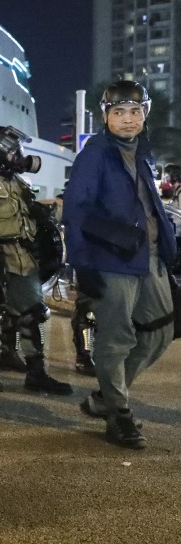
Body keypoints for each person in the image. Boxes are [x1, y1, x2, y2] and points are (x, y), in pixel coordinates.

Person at [63, 80, 177, 449]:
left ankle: (107, 395)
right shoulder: (94, 155)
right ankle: (118, 414)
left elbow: (151, 206)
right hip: (111, 260)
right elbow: (75, 212)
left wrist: (172, 245)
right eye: (118, 112)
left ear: (145, 113)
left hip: (151, 258)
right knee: (115, 341)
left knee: (160, 331)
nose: (128, 120)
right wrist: (82, 265)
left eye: (135, 111)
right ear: (106, 116)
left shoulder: (143, 153)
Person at [0, 126, 72, 396]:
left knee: (32, 314)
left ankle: (35, 372)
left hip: (23, 257)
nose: (20, 156)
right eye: (15, 151)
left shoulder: (18, 182)